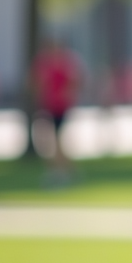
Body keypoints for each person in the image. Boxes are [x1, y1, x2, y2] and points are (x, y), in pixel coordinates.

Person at [32, 39, 81, 182]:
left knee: (58, 140)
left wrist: (65, 96)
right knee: (50, 140)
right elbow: (38, 83)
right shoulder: (44, 65)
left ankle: (61, 171)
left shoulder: (65, 65)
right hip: (49, 106)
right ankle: (64, 170)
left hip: (61, 107)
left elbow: (73, 83)